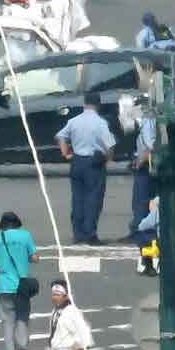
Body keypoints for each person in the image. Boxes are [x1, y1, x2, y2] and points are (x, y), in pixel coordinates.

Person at [57, 91, 116, 246]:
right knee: (93, 199)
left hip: (77, 161)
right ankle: (90, 234)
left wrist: (66, 154)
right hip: (93, 163)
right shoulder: (100, 122)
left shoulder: (74, 120)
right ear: (98, 105)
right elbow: (110, 144)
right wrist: (108, 158)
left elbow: (61, 136)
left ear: (84, 104)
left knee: (78, 198)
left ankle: (78, 233)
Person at [0, 211, 38, 350]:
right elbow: (34, 257)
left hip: (5, 287)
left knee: (8, 320)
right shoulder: (25, 235)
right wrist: (25, 259)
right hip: (22, 286)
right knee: (22, 317)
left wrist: (0, 262)